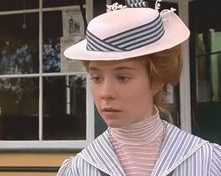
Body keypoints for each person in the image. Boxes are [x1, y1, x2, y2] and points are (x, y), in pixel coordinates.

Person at [57, 0, 221, 175]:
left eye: (123, 77)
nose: (105, 93)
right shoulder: (79, 169)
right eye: (96, 78)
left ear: (156, 81)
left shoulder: (206, 162)